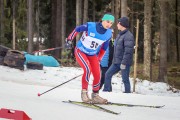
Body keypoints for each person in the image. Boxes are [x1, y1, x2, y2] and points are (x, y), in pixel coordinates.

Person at [66, 13, 115, 104]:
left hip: (92, 54)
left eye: (111, 23)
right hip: (81, 51)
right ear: (103, 20)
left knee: (97, 74)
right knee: (87, 69)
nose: (109, 24)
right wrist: (69, 40)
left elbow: (104, 48)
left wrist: (99, 58)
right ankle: (84, 93)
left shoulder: (108, 34)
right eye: (108, 21)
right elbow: (77, 29)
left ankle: (95, 95)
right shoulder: (91, 26)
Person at [103, 17, 135, 93]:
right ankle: (107, 91)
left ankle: (127, 94)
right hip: (116, 62)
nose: (117, 25)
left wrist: (124, 63)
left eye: (118, 23)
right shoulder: (119, 35)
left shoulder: (128, 36)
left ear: (122, 24)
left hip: (124, 63)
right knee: (107, 74)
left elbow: (128, 51)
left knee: (125, 79)